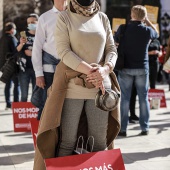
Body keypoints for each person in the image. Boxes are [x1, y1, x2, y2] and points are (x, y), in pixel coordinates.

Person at [33, 0, 120, 169]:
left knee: (99, 141)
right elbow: (64, 52)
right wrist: (91, 72)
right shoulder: (64, 17)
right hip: (71, 87)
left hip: (100, 88)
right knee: (67, 142)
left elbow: (111, 48)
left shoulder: (102, 17)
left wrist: (104, 70)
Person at [115, 5, 159, 136]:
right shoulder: (147, 30)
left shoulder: (123, 29)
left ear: (132, 15)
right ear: (143, 17)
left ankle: (123, 129)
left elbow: (115, 41)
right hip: (142, 67)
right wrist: (148, 21)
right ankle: (145, 127)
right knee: (143, 98)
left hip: (126, 68)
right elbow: (156, 33)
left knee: (125, 99)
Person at [32, 0, 64, 120]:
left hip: (68, 68)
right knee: (46, 106)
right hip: (48, 70)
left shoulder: (74, 16)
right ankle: (43, 136)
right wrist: (38, 74)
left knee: (66, 106)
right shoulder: (45, 18)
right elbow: (37, 46)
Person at [18, 14, 39, 102]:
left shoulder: (41, 35)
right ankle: (24, 114)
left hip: (37, 69)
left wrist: (33, 53)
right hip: (24, 68)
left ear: (38, 22)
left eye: (33, 22)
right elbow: (17, 50)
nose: (30, 24)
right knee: (24, 95)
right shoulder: (24, 35)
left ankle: (35, 114)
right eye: (29, 22)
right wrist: (21, 44)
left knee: (36, 94)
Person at [0, 22, 20, 110]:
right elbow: (16, 51)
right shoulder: (12, 38)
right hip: (12, 65)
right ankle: (16, 103)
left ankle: (8, 104)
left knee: (8, 85)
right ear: (12, 30)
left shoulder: (2, 38)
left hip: (4, 65)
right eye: (14, 29)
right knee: (17, 84)